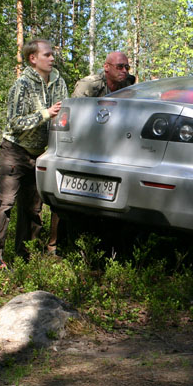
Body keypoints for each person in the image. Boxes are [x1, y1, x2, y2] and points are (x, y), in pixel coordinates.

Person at [0, 39, 68, 269]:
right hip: (15, 150)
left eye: (52, 55)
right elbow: (15, 122)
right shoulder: (22, 85)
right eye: (47, 55)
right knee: (5, 204)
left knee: (33, 208)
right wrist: (46, 113)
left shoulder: (58, 82)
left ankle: (26, 255)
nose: (52, 58)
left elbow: (65, 113)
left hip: (40, 154)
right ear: (33, 58)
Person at [47, 51, 134, 253]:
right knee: (64, 195)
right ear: (106, 67)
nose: (124, 71)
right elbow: (75, 114)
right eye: (119, 67)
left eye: (126, 67)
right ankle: (54, 245)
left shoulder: (128, 85)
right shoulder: (90, 84)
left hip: (111, 148)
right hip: (81, 143)